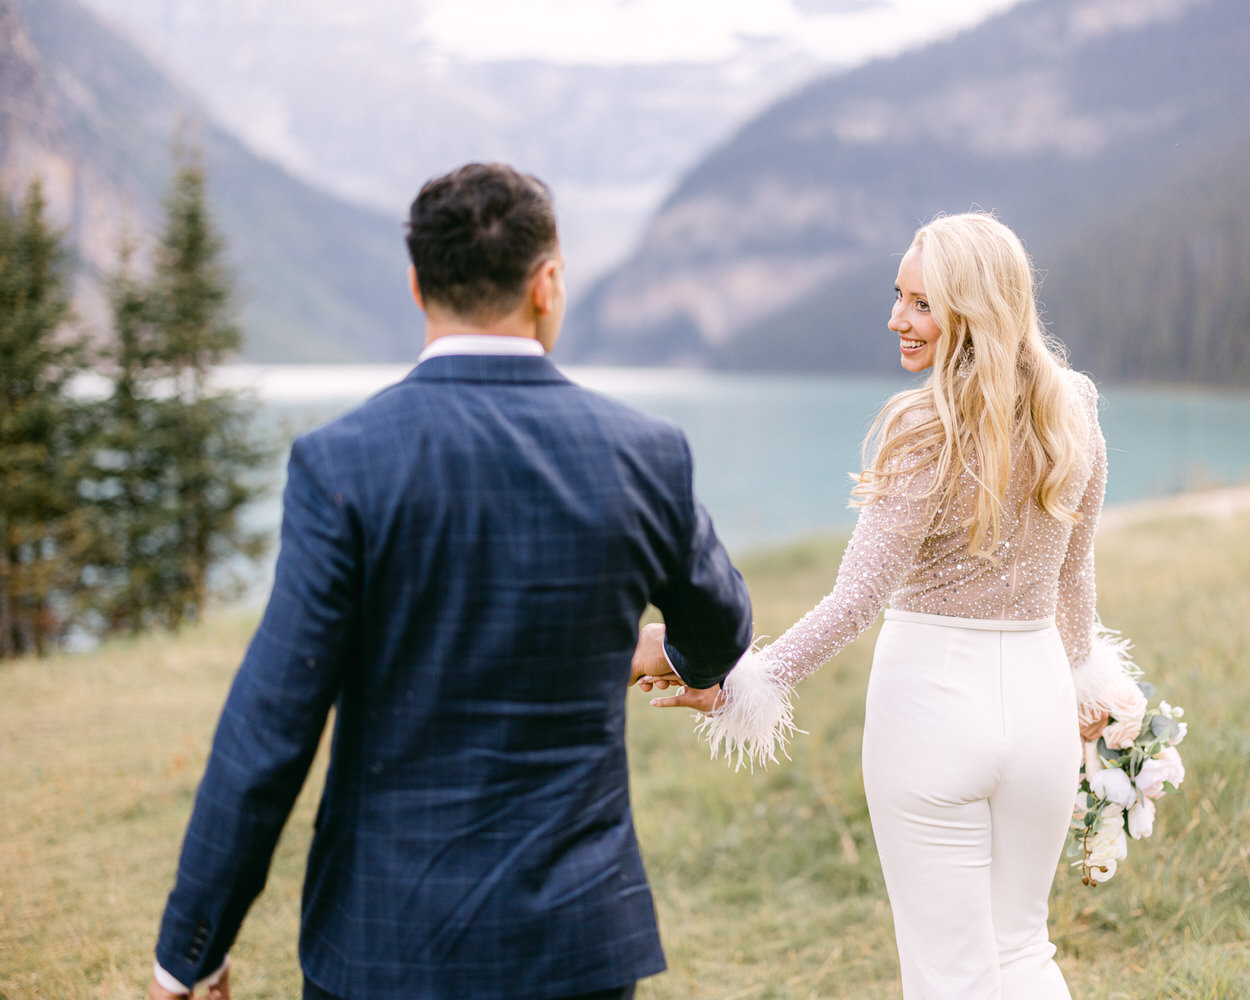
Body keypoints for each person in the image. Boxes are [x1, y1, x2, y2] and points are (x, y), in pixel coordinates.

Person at [147, 162, 753, 1000]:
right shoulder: (645, 453)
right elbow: (723, 627)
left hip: (383, 943)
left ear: (415, 286)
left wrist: (192, 952)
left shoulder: (343, 462)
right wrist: (667, 649)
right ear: (547, 285)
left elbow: (271, 726)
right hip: (573, 944)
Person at [640, 212, 1133, 999]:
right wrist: (1089, 683)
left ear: (977, 310)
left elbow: (855, 599)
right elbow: (1075, 577)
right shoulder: (1073, 409)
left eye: (924, 304)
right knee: (1022, 953)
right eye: (899, 297)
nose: (898, 318)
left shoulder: (923, 427)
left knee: (948, 974)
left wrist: (744, 684)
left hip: (932, 710)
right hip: (1040, 708)